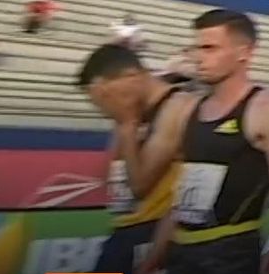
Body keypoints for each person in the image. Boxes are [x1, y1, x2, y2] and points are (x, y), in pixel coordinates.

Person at [137, 9, 269, 274]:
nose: (198, 58)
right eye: (196, 48)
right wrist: (155, 254)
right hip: (179, 251)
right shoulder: (188, 110)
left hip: (231, 253)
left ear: (244, 52)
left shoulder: (266, 107)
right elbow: (182, 197)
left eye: (209, 48)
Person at [77, 42, 198, 274]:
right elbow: (112, 180)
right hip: (125, 228)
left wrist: (126, 125)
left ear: (131, 77)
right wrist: (122, 123)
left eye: (104, 96)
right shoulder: (131, 115)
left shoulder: (176, 107)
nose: (103, 107)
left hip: (155, 232)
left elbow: (140, 186)